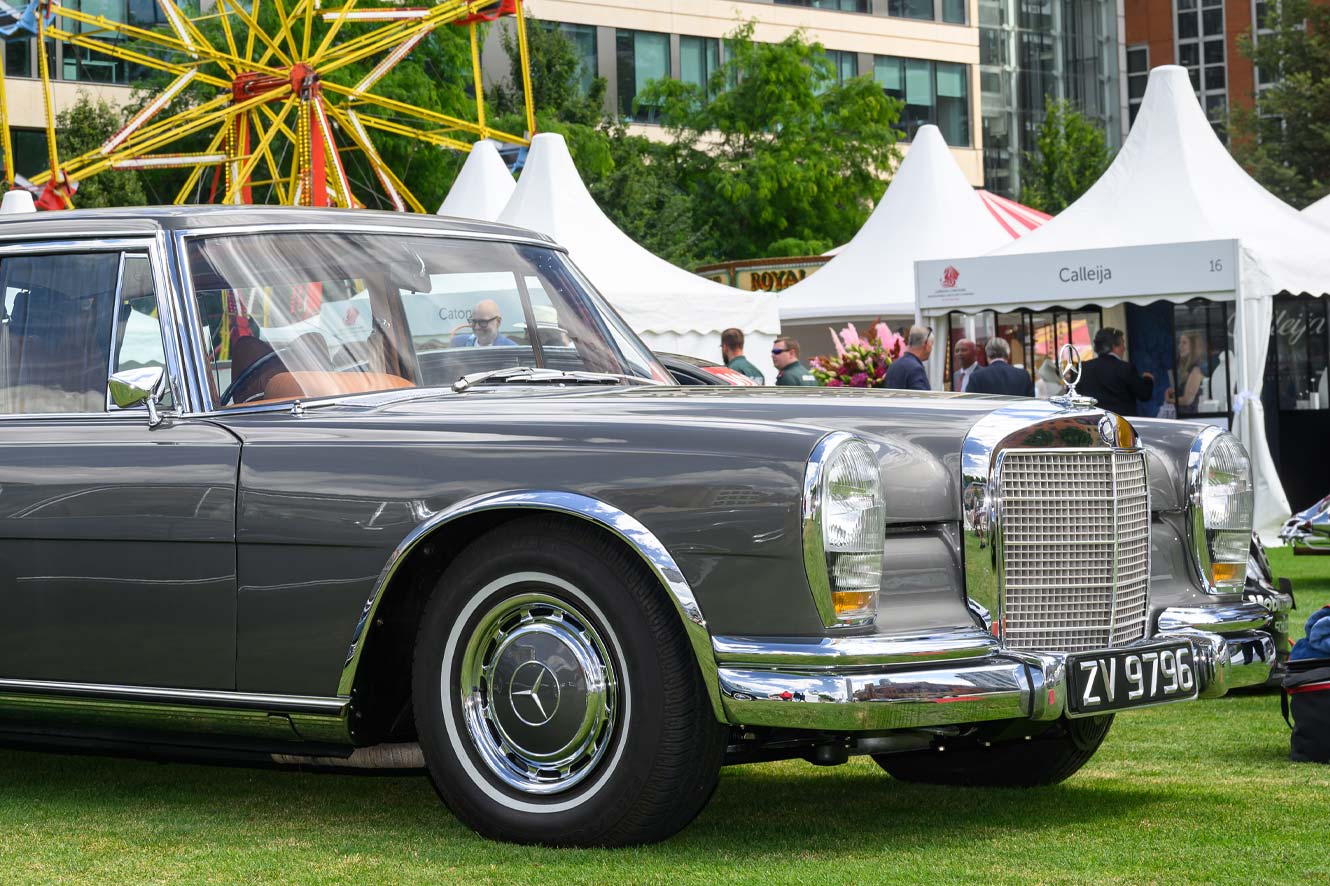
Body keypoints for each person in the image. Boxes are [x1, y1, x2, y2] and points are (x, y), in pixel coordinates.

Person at [1077, 327, 1154, 416]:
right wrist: (1148, 379)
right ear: (1114, 346)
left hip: (1093, 424)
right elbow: (1144, 394)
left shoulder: (1083, 368)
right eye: (1122, 344)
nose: (1124, 348)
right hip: (1121, 424)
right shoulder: (1125, 368)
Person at [966, 337, 1035, 397]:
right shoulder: (1023, 375)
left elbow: (969, 405)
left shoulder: (976, 376)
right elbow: (1031, 403)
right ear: (1008, 354)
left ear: (987, 356)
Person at [883, 325, 932, 391]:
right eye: (931, 345)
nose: (931, 349)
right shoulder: (916, 369)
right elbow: (922, 399)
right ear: (926, 344)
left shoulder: (893, 366)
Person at [451, 299, 517, 347]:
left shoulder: (510, 350)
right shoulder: (458, 344)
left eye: (483, 322)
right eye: (474, 321)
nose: (477, 327)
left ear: (498, 321)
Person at [1171, 331, 1208, 414]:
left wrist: (1169, 400)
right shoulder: (1188, 368)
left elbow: (1187, 400)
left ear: (1193, 346)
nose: (1179, 346)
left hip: (1190, 417)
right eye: (1180, 342)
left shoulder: (1196, 370)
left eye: (1184, 343)